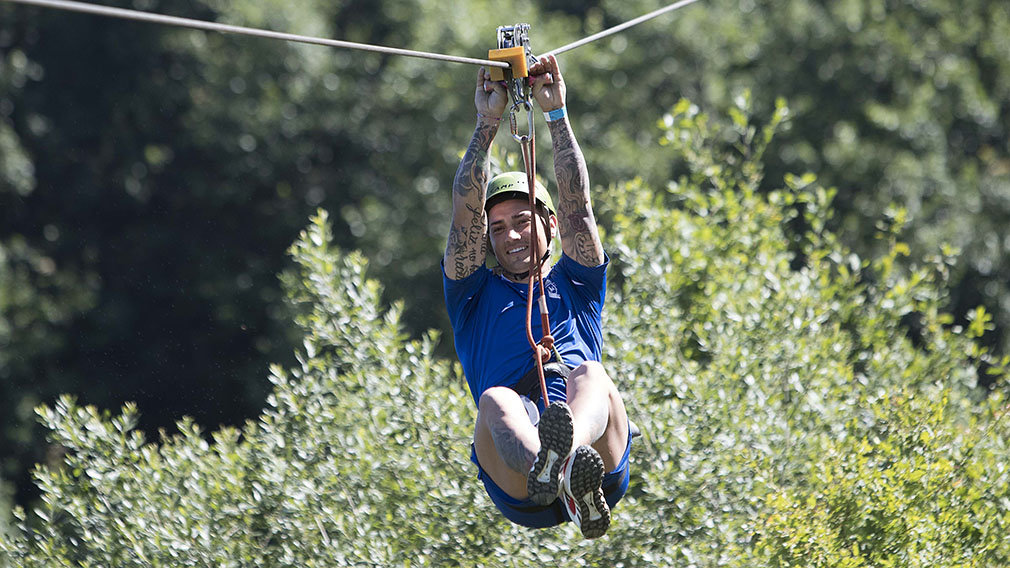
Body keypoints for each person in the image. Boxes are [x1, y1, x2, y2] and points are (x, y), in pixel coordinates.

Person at [442, 54, 631, 539]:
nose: (509, 237)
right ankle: (554, 470)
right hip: (521, 477)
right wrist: (487, 123)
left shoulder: (578, 282)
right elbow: (464, 219)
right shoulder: (472, 295)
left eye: (522, 220)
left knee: (590, 373)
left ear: (549, 225)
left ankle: (569, 465)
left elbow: (578, 207)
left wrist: (556, 114)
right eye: (498, 228)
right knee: (497, 399)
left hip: (593, 447)